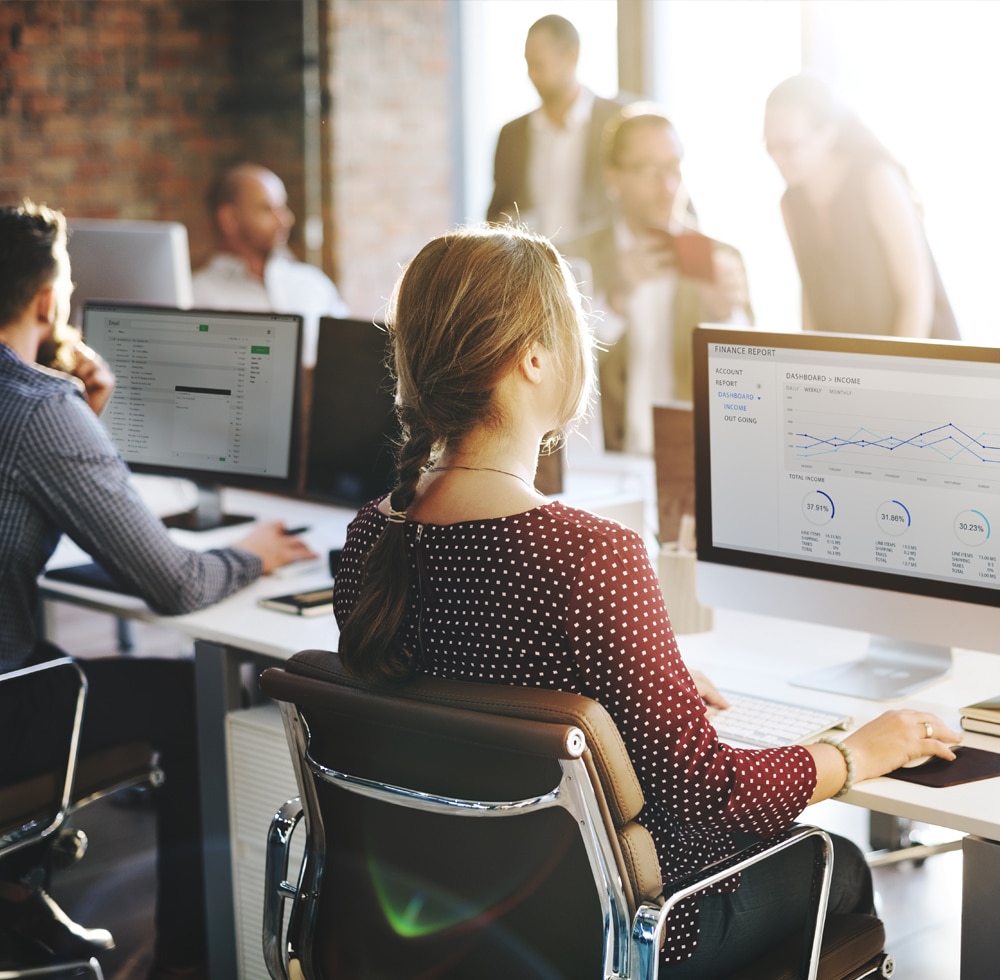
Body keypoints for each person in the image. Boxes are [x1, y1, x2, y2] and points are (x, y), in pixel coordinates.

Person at [331, 224, 961, 977]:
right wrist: (855, 753)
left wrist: (633, 689)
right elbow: (707, 800)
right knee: (842, 865)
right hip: (622, 935)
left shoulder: (376, 534)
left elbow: (472, 696)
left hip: (463, 917)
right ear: (534, 357)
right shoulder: (587, 554)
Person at [0, 201, 315, 978]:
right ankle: (193, 957)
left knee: (45, 649)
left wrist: (85, 426)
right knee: (191, 700)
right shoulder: (40, 408)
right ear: (49, 300)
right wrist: (253, 553)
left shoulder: (48, 411)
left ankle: (14, 888)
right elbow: (175, 583)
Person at [563, 105, 752, 454]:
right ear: (613, 178)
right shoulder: (573, 259)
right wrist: (614, 301)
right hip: (602, 461)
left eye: (674, 167)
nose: (668, 186)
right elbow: (556, 377)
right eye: (650, 170)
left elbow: (751, 390)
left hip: (691, 459)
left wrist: (724, 318)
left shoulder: (720, 258)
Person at [764, 74, 959, 339]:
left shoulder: (877, 180)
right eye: (769, 145)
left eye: (789, 146)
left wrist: (892, 372)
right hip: (852, 366)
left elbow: (916, 296)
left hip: (918, 353)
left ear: (828, 134)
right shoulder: (790, 203)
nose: (777, 158)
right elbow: (810, 294)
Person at [191, 162, 348, 367]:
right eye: (268, 209)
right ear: (229, 219)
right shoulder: (195, 297)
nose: (286, 220)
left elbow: (350, 356)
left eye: (283, 208)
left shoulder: (314, 283)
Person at [486, 14, 626, 244]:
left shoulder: (617, 121)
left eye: (539, 65)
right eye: (528, 64)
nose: (531, 74)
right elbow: (496, 212)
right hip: (533, 271)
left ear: (571, 57)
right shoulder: (512, 135)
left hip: (601, 269)